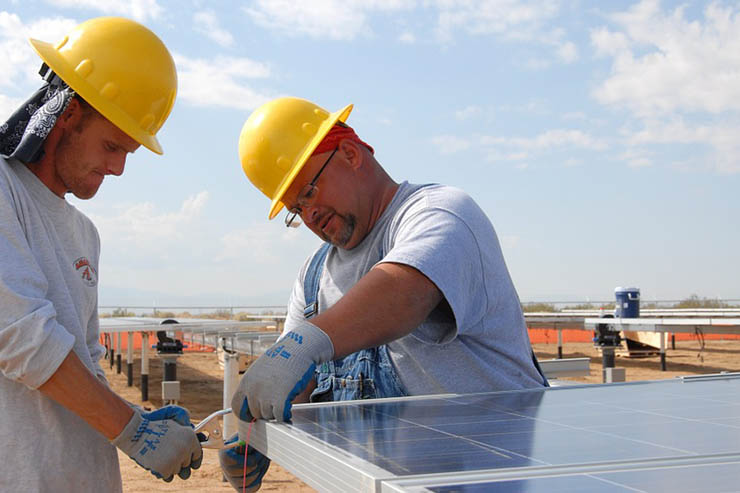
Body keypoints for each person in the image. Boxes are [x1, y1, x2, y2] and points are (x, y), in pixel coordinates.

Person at [219, 96, 549, 491]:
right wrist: (258, 432)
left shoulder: (440, 214)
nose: (309, 215)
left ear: (349, 153)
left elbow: (403, 293)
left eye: (307, 192)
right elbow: (295, 387)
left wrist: (306, 343)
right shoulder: (312, 277)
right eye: (295, 210)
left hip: (494, 479)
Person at [0, 17, 202, 491]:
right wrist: (130, 430)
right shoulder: (5, 191)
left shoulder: (83, 233)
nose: (118, 168)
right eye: (112, 145)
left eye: (129, 151)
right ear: (67, 114)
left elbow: (87, 360)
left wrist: (133, 417)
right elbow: (18, 338)